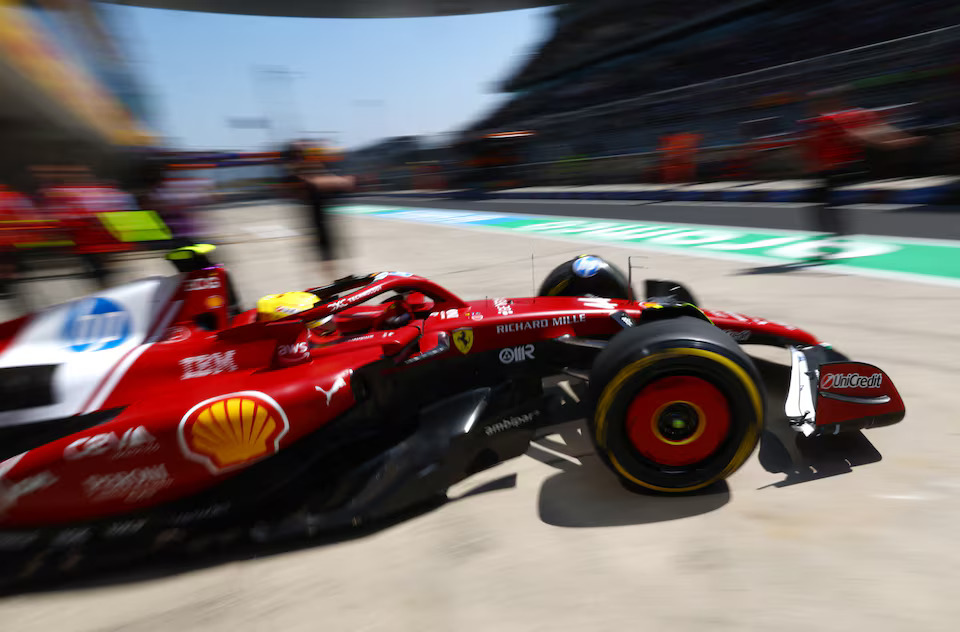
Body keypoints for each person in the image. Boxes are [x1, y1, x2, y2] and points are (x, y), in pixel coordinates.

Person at [802, 87, 921, 260]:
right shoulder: (825, 120)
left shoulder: (836, 118)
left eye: (817, 104)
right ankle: (837, 233)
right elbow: (877, 131)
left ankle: (837, 234)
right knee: (824, 205)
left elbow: (866, 133)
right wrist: (899, 140)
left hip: (839, 168)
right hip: (830, 169)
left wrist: (896, 142)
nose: (813, 108)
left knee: (825, 204)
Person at [280, 140, 355, 280]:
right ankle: (332, 281)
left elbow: (324, 178)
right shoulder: (297, 172)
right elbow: (312, 183)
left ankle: (337, 279)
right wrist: (341, 182)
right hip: (317, 220)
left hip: (324, 216)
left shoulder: (311, 167)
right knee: (326, 252)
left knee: (331, 249)